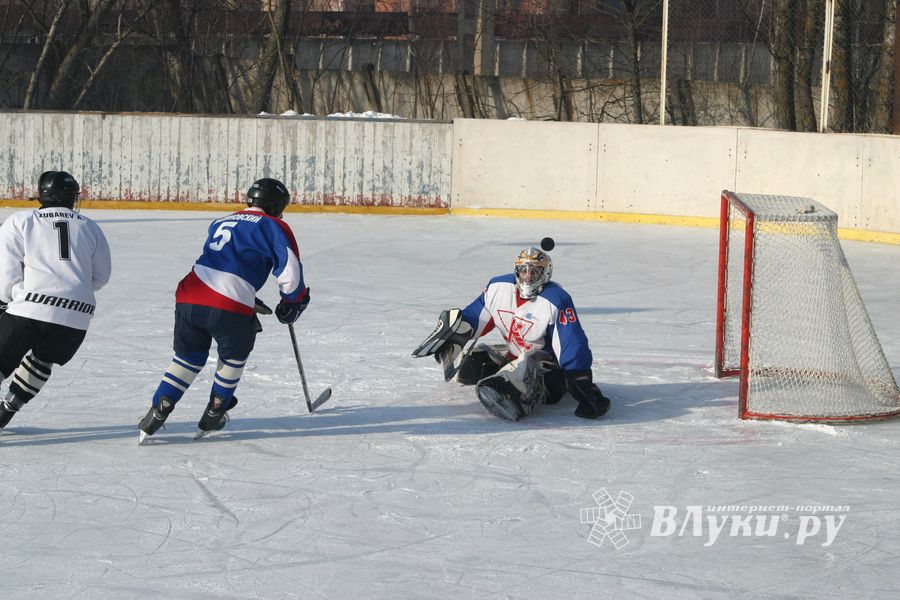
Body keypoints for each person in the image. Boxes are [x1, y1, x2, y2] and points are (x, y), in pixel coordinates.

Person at [139, 178, 310, 442]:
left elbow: (224, 263)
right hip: (229, 301)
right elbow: (289, 269)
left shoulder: (220, 221)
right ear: (276, 206)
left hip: (190, 294)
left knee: (188, 357)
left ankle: (159, 408)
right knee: (233, 356)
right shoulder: (274, 225)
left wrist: (246, 295)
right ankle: (215, 411)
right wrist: (293, 301)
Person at [413, 245, 609, 422]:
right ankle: (506, 366)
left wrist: (582, 380)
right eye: (523, 271)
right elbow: (476, 316)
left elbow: (571, 343)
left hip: (546, 366)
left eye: (534, 272)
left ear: (545, 274)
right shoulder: (498, 288)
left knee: (518, 390)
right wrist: (455, 333)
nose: (528, 277)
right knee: (471, 365)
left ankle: (516, 383)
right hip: (515, 352)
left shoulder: (556, 300)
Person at [0, 171, 112, 429]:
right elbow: (101, 276)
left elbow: (5, 269)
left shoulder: (21, 220)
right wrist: (72, 291)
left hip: (30, 308)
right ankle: (9, 408)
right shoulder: (90, 227)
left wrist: (7, 297)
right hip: (77, 314)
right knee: (42, 359)